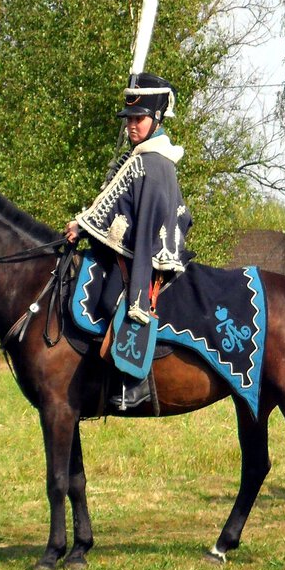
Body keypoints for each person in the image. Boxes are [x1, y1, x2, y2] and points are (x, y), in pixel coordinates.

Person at [65, 72, 193, 408]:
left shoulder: (154, 164)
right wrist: (82, 224)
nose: (131, 126)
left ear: (157, 118)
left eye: (138, 119)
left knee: (114, 302)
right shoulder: (137, 158)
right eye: (129, 119)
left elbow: (149, 222)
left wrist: (86, 227)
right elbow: (111, 203)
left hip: (150, 254)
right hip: (129, 248)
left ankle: (132, 382)